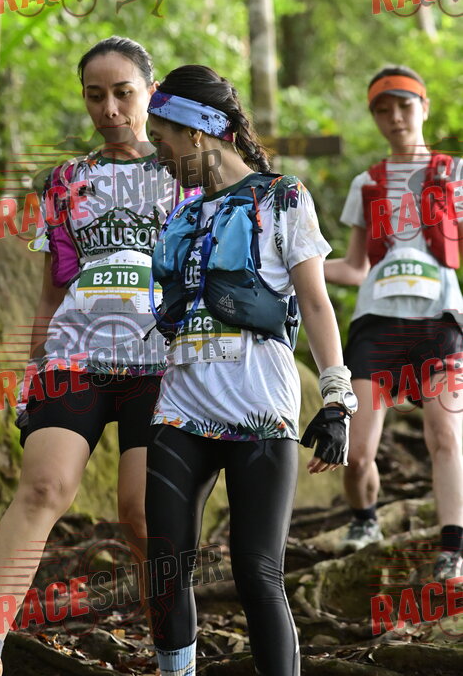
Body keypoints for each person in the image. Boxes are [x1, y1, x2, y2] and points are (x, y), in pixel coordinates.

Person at [0, 37, 183, 676]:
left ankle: (174, 656)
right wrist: (32, 367)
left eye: (123, 93)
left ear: (151, 94)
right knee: (44, 487)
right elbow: (53, 289)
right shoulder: (65, 181)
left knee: (141, 513)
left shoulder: (183, 174)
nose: (109, 108)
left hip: (160, 363)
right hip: (74, 354)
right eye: (95, 95)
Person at [144, 65, 357, 676]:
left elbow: (315, 302)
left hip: (259, 408)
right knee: (165, 568)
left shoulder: (282, 196)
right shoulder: (182, 215)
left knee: (257, 571)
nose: (159, 155)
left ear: (195, 132)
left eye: (162, 139)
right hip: (181, 407)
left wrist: (337, 399)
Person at [324, 65, 463, 580]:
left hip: (439, 321)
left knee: (445, 435)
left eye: (404, 105)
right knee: (357, 452)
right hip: (377, 324)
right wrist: (295, 267)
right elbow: (355, 267)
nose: (395, 117)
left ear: (423, 107)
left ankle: (452, 550)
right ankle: (364, 520)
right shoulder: (368, 183)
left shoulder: (455, 173)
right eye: (383, 110)